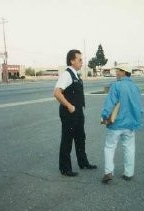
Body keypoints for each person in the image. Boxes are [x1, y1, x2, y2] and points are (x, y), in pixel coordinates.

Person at [54, 49, 97, 177]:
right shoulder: (67, 75)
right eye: (80, 59)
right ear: (72, 60)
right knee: (67, 140)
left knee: (80, 138)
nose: (82, 62)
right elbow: (57, 93)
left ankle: (83, 162)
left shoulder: (76, 75)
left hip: (78, 112)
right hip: (69, 113)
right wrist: (69, 105)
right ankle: (65, 168)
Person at [100, 65, 143, 183]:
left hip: (116, 123)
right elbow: (138, 107)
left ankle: (108, 172)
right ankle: (128, 173)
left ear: (124, 72)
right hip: (130, 123)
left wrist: (104, 116)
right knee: (129, 147)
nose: (116, 73)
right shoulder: (135, 87)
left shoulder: (116, 85)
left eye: (118, 71)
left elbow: (110, 103)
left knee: (109, 147)